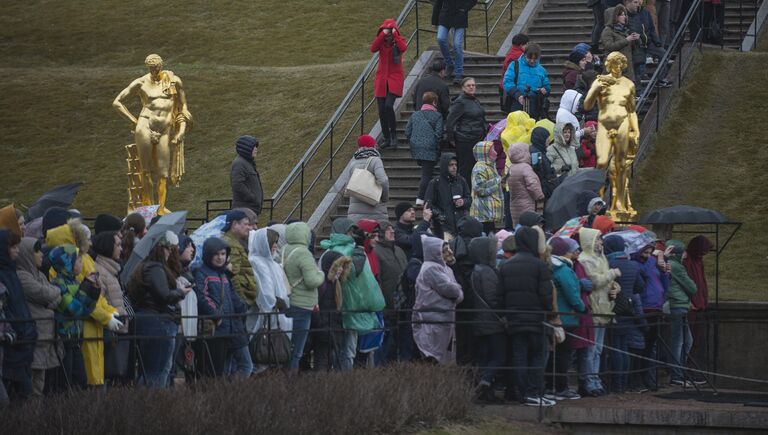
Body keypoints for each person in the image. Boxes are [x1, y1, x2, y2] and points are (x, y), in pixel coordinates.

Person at [113, 54, 192, 214]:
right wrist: (134, 121)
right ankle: (149, 206)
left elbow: (183, 106)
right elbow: (117, 102)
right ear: (147, 67)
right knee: (145, 169)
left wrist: (182, 129)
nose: (154, 71)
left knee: (163, 172)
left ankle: (161, 208)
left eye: (156, 67)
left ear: (161, 66)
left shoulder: (174, 81)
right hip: (145, 126)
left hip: (164, 129)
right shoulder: (141, 82)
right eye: (151, 68)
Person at [320, 219, 385, 370]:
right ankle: (344, 380)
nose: (351, 235)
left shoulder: (330, 251)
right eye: (349, 231)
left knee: (347, 350)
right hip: (344, 307)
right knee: (344, 350)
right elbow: (356, 274)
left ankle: (344, 381)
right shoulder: (343, 251)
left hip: (346, 307)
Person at [499, 226, 554, 406]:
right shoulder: (540, 265)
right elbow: (546, 295)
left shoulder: (506, 265)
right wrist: (549, 313)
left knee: (519, 356)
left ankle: (521, 392)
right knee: (538, 355)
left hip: (514, 318)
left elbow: (501, 294)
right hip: (536, 318)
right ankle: (533, 391)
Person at [583, 51, 640, 220]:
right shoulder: (600, 81)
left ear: (623, 65)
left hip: (622, 125)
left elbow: (632, 111)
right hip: (604, 126)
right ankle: (598, 205)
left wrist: (635, 130)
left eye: (619, 63)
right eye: (613, 63)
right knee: (601, 164)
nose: (616, 67)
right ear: (608, 65)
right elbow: (586, 105)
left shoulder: (629, 84)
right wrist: (597, 89)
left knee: (621, 166)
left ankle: (620, 204)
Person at [129, 232, 190, 386]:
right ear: (160, 249)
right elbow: (164, 295)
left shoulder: (146, 266)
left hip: (153, 320)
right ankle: (151, 404)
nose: (170, 253)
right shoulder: (154, 268)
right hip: (156, 322)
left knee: (157, 370)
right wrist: (180, 292)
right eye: (168, 249)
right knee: (155, 371)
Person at [194, 237, 251, 378]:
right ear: (209, 254)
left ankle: (227, 393)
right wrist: (216, 314)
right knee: (219, 371)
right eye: (216, 254)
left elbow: (233, 297)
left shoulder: (224, 274)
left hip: (233, 326)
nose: (220, 258)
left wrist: (243, 307)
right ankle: (225, 394)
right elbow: (202, 297)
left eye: (223, 254)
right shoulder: (201, 273)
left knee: (244, 365)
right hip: (218, 328)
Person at [577, 227, 621, 394]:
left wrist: (616, 287)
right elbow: (595, 281)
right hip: (593, 307)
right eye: (599, 239)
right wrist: (612, 274)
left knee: (598, 349)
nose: (601, 242)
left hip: (604, 307)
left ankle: (595, 380)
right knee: (591, 349)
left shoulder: (601, 257)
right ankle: (589, 382)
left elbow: (607, 281)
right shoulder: (585, 260)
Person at [48, 244, 98, 391]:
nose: (81, 263)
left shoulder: (76, 282)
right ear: (67, 263)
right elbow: (73, 309)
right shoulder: (58, 284)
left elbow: (86, 311)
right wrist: (85, 289)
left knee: (80, 380)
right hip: (64, 340)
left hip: (77, 338)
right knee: (66, 381)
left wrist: (94, 292)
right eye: (78, 260)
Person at [16, 237, 61, 396]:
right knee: (33, 385)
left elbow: (55, 298)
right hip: (36, 335)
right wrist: (53, 295)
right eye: (36, 251)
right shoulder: (22, 276)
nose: (41, 254)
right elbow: (46, 293)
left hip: (45, 335)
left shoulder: (39, 275)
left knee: (40, 383)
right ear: (26, 254)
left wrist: (51, 297)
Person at [412, 236, 464, 364]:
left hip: (441, 319)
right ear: (435, 252)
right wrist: (457, 292)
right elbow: (452, 290)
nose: (449, 253)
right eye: (445, 251)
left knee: (442, 358)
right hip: (432, 319)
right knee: (433, 358)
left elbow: (457, 293)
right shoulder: (431, 269)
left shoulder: (445, 269)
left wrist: (456, 292)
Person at [604, 235, 645, 393]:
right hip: (628, 309)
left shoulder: (610, 264)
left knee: (615, 347)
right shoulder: (633, 265)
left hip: (614, 309)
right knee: (624, 347)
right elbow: (640, 287)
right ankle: (624, 382)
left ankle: (617, 383)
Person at [282, 222, 325, 372]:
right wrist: (321, 274)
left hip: (287, 302)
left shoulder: (283, 250)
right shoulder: (304, 253)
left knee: (286, 347)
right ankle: (291, 384)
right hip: (302, 305)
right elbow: (312, 281)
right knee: (297, 351)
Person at [546, 237, 586, 400]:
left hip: (553, 317)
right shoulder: (564, 270)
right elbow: (572, 294)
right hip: (566, 318)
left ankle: (550, 386)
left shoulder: (548, 267)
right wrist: (582, 308)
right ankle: (561, 387)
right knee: (563, 355)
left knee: (552, 355)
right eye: (570, 251)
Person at [468, 237, 506, 403]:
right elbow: (492, 298)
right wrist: (502, 313)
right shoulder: (486, 271)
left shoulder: (476, 270)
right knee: (499, 354)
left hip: (480, 320)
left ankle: (484, 390)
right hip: (491, 321)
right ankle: (484, 383)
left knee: (485, 356)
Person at [0, 230, 36, 401]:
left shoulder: (11, 271)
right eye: (13, 247)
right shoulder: (4, 274)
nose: (17, 251)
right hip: (12, 342)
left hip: (23, 340)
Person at [92, 231, 132, 382]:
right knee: (106, 377)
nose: (121, 249)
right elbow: (97, 302)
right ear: (108, 247)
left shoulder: (111, 271)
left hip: (117, 331)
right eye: (118, 245)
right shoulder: (101, 273)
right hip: (108, 333)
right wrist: (110, 319)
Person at [632, 240, 670, 390]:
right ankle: (642, 378)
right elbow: (642, 280)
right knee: (643, 346)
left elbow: (664, 283)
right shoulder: (636, 264)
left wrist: (665, 272)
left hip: (656, 306)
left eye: (649, 253)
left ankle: (650, 378)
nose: (648, 256)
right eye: (645, 253)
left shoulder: (654, 262)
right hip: (645, 305)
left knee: (651, 346)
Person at [373, 221, 408, 363]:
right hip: (387, 307)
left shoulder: (399, 250)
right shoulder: (376, 252)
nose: (392, 231)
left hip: (403, 306)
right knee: (386, 346)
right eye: (388, 230)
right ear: (381, 234)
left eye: (392, 229)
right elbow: (378, 280)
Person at [665, 239, 697, 387]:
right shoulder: (677, 266)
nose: (685, 254)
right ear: (678, 252)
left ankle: (679, 371)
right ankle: (676, 374)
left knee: (686, 341)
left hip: (679, 304)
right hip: (678, 304)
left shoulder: (670, 264)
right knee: (678, 342)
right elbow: (692, 287)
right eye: (683, 251)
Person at [371, 18, 407, 149]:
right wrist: (382, 34)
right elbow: (373, 48)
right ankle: (386, 137)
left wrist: (395, 35)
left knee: (388, 106)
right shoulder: (381, 43)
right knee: (381, 110)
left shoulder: (398, 41)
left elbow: (403, 47)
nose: (388, 36)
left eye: (390, 33)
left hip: (394, 79)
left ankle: (393, 135)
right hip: (381, 79)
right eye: (386, 33)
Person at [313, 250, 351, 371]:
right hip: (324, 330)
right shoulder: (323, 284)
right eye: (338, 266)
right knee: (322, 361)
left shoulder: (336, 284)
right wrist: (322, 327)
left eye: (342, 266)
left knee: (329, 361)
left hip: (332, 329)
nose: (340, 269)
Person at [446, 77, 487, 184]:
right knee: (466, 168)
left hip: (478, 137)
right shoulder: (460, 102)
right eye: (469, 85)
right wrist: (451, 138)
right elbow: (450, 121)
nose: (471, 87)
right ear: (463, 88)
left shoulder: (475, 100)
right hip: (465, 139)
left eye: (473, 85)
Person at [406, 91, 444, 205]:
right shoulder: (437, 116)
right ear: (434, 102)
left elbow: (407, 131)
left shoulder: (415, 115)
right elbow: (438, 133)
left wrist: (414, 141)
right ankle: (421, 198)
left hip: (416, 147)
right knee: (427, 174)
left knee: (426, 172)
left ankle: (427, 195)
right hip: (429, 148)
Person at [424, 153, 472, 239]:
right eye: (451, 165)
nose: (454, 167)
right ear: (445, 166)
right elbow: (428, 204)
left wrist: (463, 202)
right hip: (443, 226)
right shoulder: (435, 183)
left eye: (455, 165)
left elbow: (469, 198)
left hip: (461, 224)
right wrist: (440, 215)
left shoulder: (461, 180)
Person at [683, 235, 713, 369]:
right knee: (688, 340)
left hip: (699, 304)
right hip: (692, 305)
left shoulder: (698, 261)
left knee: (695, 340)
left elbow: (702, 283)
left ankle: (690, 367)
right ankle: (686, 368)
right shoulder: (687, 261)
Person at [346, 135, 390, 222]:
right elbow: (383, 181)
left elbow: (348, 185)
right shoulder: (375, 160)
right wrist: (384, 198)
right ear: (373, 146)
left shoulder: (353, 163)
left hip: (355, 211)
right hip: (374, 210)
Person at [433, 0, 478, 84]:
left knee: (457, 45)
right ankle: (449, 63)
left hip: (460, 17)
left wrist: (465, 8)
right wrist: (435, 20)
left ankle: (458, 73)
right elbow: (438, 3)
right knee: (440, 38)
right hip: (445, 16)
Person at [502, 43, 551, 121]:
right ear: (524, 55)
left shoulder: (541, 70)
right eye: (529, 58)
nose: (532, 61)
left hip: (535, 106)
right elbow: (507, 82)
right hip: (517, 102)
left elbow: (547, 86)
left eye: (535, 59)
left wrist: (545, 90)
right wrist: (517, 95)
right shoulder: (515, 65)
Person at [506, 142, 544, 227]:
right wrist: (540, 196)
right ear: (523, 153)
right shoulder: (525, 168)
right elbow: (532, 184)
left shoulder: (511, 168)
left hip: (514, 204)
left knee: (518, 226)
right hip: (526, 203)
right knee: (528, 226)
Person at [469, 141, 504, 235]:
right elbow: (480, 189)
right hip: (483, 214)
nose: (495, 152)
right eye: (492, 150)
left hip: (488, 214)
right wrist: (498, 181)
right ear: (485, 153)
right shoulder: (479, 168)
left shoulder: (490, 166)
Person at [600, 6, 638, 81]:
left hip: (627, 68)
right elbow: (609, 46)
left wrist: (635, 40)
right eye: (621, 15)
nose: (625, 17)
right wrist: (626, 40)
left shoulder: (625, 30)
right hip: (614, 68)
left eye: (624, 14)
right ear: (614, 17)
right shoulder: (607, 31)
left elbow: (630, 49)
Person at [230, 135, 264, 217]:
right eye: (253, 147)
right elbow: (237, 185)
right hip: (245, 209)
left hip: (249, 209)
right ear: (246, 149)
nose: (256, 149)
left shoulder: (247, 163)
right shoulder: (239, 163)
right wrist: (252, 198)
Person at [500, 33, 530, 110]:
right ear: (521, 45)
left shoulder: (511, 54)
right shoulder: (520, 57)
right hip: (515, 92)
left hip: (506, 89)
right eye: (527, 44)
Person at [528, 126, 557, 201]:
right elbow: (538, 172)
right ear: (541, 139)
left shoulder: (540, 151)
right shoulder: (535, 153)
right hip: (543, 190)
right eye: (547, 138)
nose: (549, 140)